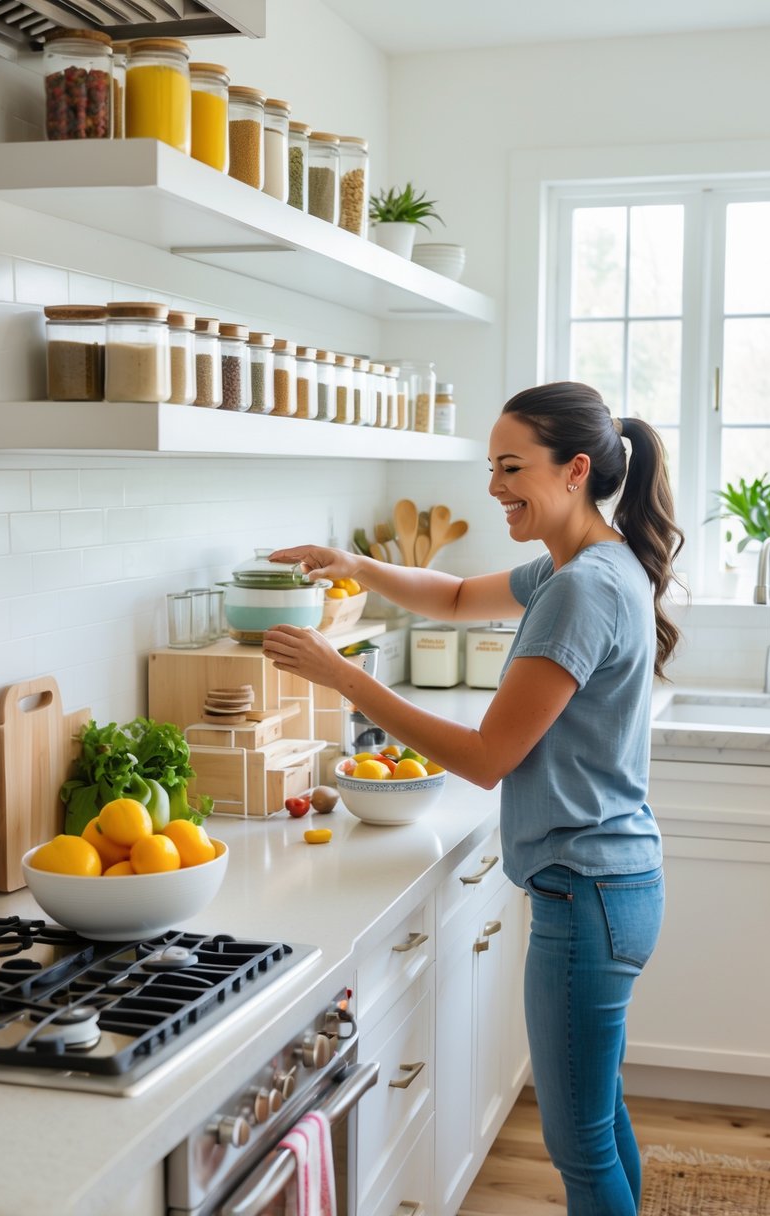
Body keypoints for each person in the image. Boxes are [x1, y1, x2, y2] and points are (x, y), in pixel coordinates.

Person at [263, 380, 684, 1216]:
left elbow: (489, 757)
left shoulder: (581, 587)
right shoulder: (593, 560)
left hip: (587, 891)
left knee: (579, 1147)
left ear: (572, 471)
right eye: (492, 466)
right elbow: (454, 598)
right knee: (600, 1123)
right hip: (614, 882)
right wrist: (358, 567)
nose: (493, 487)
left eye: (509, 467)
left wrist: (342, 676)